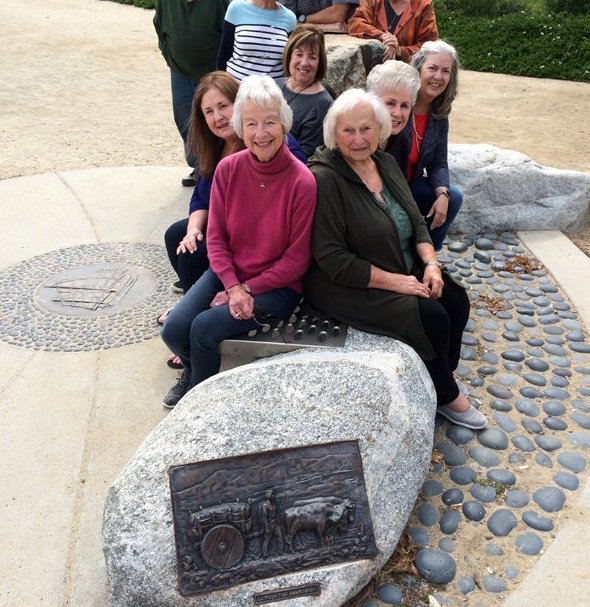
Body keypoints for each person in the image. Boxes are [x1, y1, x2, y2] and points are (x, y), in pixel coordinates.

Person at [303, 89, 487, 430]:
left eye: (366, 128)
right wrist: (400, 283)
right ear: (334, 134)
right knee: (430, 316)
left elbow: (416, 221)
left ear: (380, 129)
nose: (359, 139)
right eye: (348, 130)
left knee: (456, 300)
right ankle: (447, 397)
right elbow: (333, 258)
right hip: (348, 283)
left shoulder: (384, 163)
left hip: (400, 263)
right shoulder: (324, 178)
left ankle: (440, 377)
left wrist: (431, 264)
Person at [160, 75, 317, 408]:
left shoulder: (302, 181)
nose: (261, 133)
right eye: (251, 124)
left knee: (203, 329)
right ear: (240, 127)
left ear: (284, 124)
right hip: (229, 275)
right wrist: (232, 285)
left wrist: (246, 290)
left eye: (270, 122)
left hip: (278, 288)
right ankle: (194, 373)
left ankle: (201, 406)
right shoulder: (227, 169)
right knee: (173, 330)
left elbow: (297, 260)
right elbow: (216, 238)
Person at [154, 0, 230, 187]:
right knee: (184, 119)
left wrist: (221, 70)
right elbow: (160, 29)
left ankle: (219, 168)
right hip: (179, 71)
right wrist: (170, 56)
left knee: (214, 120)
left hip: (210, 75)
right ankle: (200, 168)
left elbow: (228, 34)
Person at [163, 71, 244, 300]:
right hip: (221, 221)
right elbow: (200, 196)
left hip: (244, 232)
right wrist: (194, 230)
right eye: (209, 111)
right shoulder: (214, 145)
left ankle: (193, 306)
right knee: (177, 236)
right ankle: (198, 295)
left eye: (223, 106)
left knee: (193, 255)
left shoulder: (254, 142)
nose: (218, 116)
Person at [379, 40, 463, 251]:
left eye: (446, 71)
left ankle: (427, 259)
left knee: (453, 198)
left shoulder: (439, 115)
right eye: (432, 68)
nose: (438, 77)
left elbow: (439, 162)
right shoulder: (400, 103)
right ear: (418, 69)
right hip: (384, 185)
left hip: (410, 184)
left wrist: (443, 194)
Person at [216, 0, 296, 81]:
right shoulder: (236, 8)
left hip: (271, 96)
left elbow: (288, 66)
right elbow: (223, 57)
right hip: (236, 93)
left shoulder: (290, 19)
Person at [275, 25, 333, 159]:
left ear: (320, 62)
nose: (304, 63)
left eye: (312, 57)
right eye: (299, 54)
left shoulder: (322, 104)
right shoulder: (275, 85)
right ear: (289, 55)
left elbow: (305, 157)